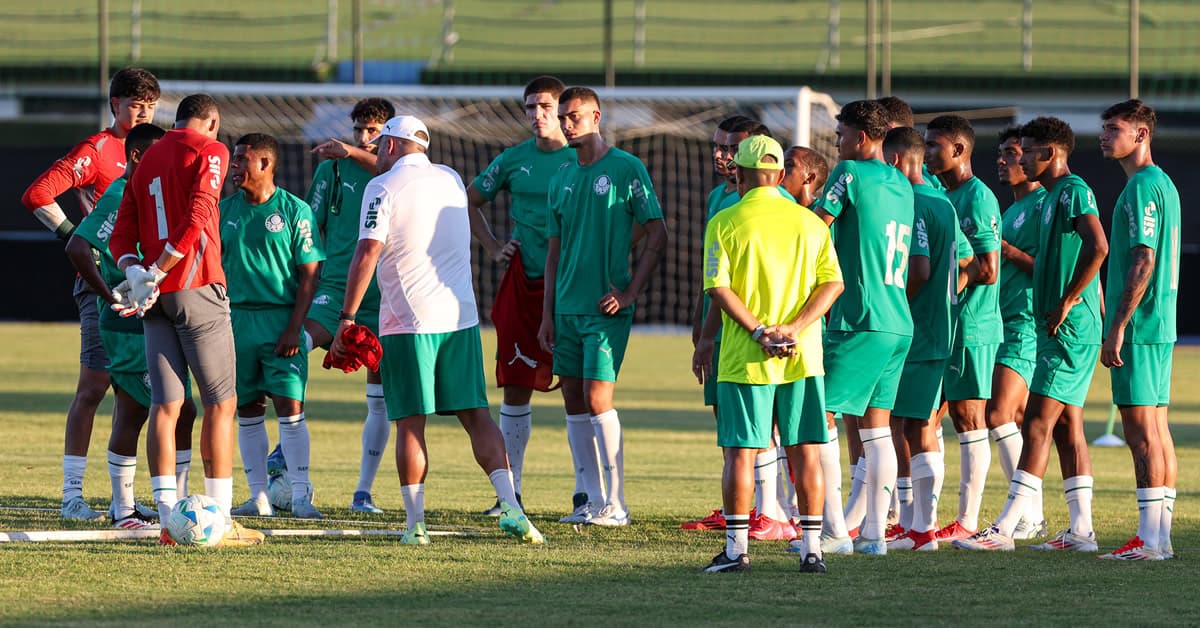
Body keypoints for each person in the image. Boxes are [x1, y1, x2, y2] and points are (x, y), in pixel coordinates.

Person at [332, 115, 543, 545]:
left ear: (391, 146)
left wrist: (348, 318)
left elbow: (367, 253)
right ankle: (514, 509)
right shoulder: (449, 178)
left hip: (407, 323)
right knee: (477, 417)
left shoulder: (381, 187)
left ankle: (415, 525)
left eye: (379, 146)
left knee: (410, 424)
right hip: (460, 318)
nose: (374, 154)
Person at [109, 93, 265, 547]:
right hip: (195, 288)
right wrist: (158, 268)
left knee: (165, 406)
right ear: (212, 122)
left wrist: (135, 271)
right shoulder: (210, 149)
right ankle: (221, 520)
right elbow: (199, 212)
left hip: (154, 299)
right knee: (221, 404)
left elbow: (122, 234)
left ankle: (167, 523)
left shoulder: (149, 155)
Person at [955, 117, 1107, 552]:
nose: (1018, 157)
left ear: (1049, 153)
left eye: (1028, 150)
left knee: (1035, 422)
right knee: (1065, 428)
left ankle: (1005, 529)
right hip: (1051, 325)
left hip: (1066, 327)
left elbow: (1098, 246)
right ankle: (1081, 532)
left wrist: (1068, 300)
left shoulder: (1072, 190)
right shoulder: (1049, 198)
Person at [694, 135, 843, 573]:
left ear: (738, 174)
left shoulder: (725, 220)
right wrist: (794, 328)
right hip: (802, 356)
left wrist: (760, 331)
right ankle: (812, 550)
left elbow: (716, 287)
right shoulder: (810, 223)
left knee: (741, 453)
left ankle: (737, 551)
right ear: (779, 176)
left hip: (745, 356)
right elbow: (833, 283)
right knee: (805, 452)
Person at [22, 67, 159, 520]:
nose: (142, 113)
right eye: (135, 105)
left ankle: (127, 500)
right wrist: (75, 237)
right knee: (94, 387)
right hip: (101, 284)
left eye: (150, 106)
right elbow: (38, 193)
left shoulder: (153, 150)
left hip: (142, 288)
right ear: (114, 104)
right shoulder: (98, 151)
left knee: (137, 394)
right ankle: (72, 497)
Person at [538, 86, 669, 527]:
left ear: (596, 117)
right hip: (566, 309)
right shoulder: (561, 178)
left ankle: (617, 503)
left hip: (605, 310)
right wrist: (547, 314)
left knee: (597, 398)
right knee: (573, 402)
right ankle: (591, 501)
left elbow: (657, 232)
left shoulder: (626, 168)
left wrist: (629, 292)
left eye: (574, 116)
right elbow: (553, 253)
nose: (567, 124)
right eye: (563, 117)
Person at [66, 122, 197, 529]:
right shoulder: (121, 193)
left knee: (182, 409)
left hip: (153, 321)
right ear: (140, 156)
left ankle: (173, 505)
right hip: (126, 324)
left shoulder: (149, 191)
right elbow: (77, 245)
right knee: (137, 409)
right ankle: (123, 510)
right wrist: (109, 294)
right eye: (162, 155)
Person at [466, 76, 575, 515]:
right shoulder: (514, 160)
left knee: (580, 390)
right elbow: (467, 200)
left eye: (546, 106)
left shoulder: (580, 161)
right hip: (521, 283)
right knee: (514, 389)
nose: (537, 115)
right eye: (530, 107)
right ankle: (510, 494)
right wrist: (494, 246)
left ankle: (589, 495)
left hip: (570, 287)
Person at [683, 117, 796, 540]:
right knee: (732, 423)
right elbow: (716, 279)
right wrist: (704, 331)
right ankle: (747, 506)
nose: (721, 155)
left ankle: (773, 511)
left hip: (767, 332)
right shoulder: (719, 197)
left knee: (767, 426)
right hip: (728, 328)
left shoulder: (780, 202)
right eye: (717, 146)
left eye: (731, 148)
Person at [810, 100, 915, 555]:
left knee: (819, 417)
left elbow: (816, 227)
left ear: (863, 138)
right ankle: (874, 535)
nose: (837, 144)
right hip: (897, 321)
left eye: (841, 136)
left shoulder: (848, 173)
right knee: (877, 430)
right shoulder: (903, 183)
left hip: (860, 318)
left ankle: (834, 531)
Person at [221, 133, 325, 519]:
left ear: (265, 164)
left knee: (290, 407)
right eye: (234, 160)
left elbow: (310, 273)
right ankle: (259, 496)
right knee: (247, 410)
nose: (234, 167)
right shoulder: (223, 211)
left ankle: (300, 495)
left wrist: (294, 328)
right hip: (237, 322)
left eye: (242, 160)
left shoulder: (295, 211)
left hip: (282, 319)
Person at [304, 97, 396, 515]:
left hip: (387, 294)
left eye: (373, 131)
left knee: (380, 398)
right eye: (358, 130)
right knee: (293, 348)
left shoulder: (400, 172)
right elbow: (312, 226)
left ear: (388, 134)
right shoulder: (332, 169)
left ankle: (363, 492)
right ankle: (282, 453)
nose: (362, 137)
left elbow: (385, 165)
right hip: (337, 284)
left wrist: (351, 150)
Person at [880, 126, 970, 551]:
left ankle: (923, 530)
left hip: (920, 329)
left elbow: (918, 272)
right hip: (939, 326)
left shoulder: (914, 202)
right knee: (912, 424)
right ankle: (918, 526)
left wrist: (895, 303)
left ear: (895, 160)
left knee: (915, 427)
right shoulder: (943, 203)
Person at [1098, 99, 1180, 560]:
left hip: (1143, 326)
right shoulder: (1163, 183)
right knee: (1158, 429)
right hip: (1161, 324)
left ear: (1141, 135)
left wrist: (1118, 327)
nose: (1105, 136)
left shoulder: (1142, 189)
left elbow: (1143, 259)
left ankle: (1149, 541)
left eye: (1114, 128)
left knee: (1141, 432)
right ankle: (1159, 539)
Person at [924, 115, 1003, 543]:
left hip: (972, 325)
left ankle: (968, 520)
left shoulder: (978, 198)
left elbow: (988, 270)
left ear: (960, 150)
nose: (927, 151)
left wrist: (948, 288)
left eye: (935, 145)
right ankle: (922, 516)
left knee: (968, 417)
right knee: (926, 415)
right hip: (944, 326)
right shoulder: (938, 192)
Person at [987, 126, 1049, 539]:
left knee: (997, 415)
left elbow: (1052, 265)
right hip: (1002, 318)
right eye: (1003, 154)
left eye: (1012, 153)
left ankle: (1023, 515)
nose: (1005, 161)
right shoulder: (1009, 210)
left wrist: (1006, 251)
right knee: (1022, 420)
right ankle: (1035, 515)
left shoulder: (1045, 203)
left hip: (1025, 321)